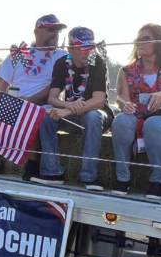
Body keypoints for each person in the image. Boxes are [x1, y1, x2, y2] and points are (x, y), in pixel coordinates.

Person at [0, 14, 69, 176]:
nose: (55, 33)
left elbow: (54, 88)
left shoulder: (61, 56)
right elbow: (0, 86)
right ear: (36, 32)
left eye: (58, 30)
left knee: (27, 111)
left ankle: (32, 163)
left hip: (41, 104)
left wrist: (28, 101)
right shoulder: (18, 54)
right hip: (14, 101)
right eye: (50, 29)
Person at [31, 27, 113, 189]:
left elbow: (99, 100)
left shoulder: (97, 62)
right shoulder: (62, 63)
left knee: (93, 116)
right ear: (70, 49)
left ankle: (89, 177)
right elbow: (52, 97)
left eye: (91, 47)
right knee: (45, 114)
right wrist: (67, 105)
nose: (87, 52)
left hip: (96, 114)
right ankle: (51, 172)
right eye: (82, 48)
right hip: (71, 114)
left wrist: (68, 110)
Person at [111, 24, 161, 198]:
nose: (140, 43)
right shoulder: (127, 70)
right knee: (121, 120)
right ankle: (122, 178)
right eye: (139, 39)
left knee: (153, 124)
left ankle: (159, 180)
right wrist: (125, 105)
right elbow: (121, 98)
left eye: (147, 39)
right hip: (137, 116)